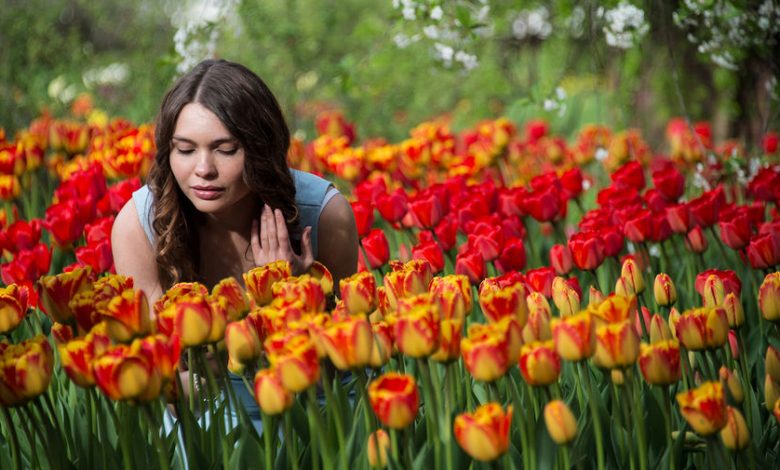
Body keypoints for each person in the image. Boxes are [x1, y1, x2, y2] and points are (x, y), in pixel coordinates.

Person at [111, 59, 359, 430]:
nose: (203, 169)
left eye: (225, 149)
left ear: (261, 148)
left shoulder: (323, 216)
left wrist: (297, 299)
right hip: (203, 408)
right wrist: (252, 315)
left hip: (312, 406)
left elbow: (341, 362)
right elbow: (162, 386)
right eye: (185, 149)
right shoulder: (139, 226)